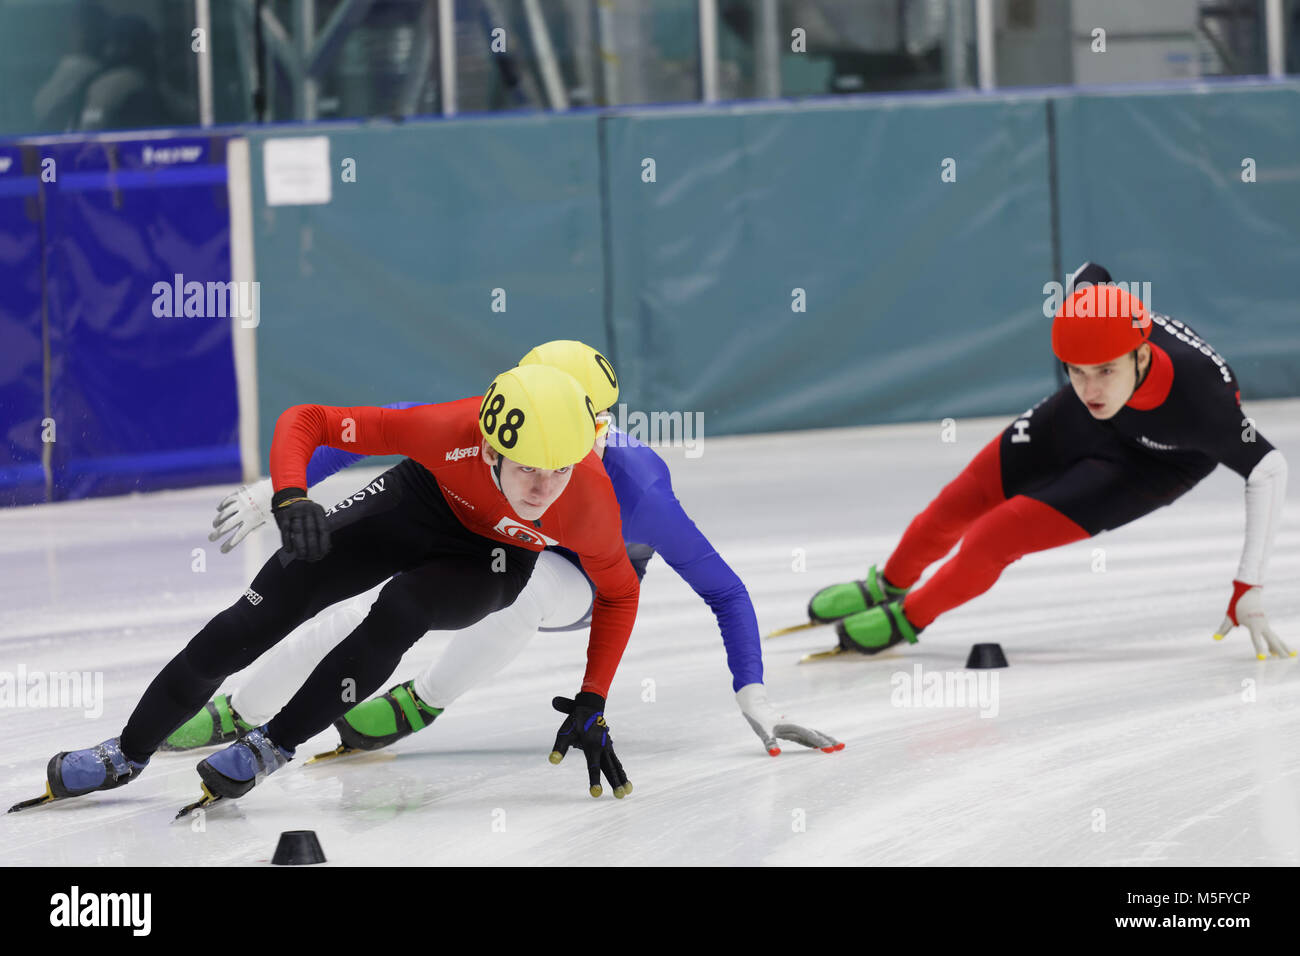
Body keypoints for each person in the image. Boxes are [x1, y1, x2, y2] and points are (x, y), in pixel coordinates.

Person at [168, 341, 842, 760]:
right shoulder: (499, 427)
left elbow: (721, 589)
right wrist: (278, 491)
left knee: (522, 597)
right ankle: (241, 710)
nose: (532, 444)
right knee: (364, 605)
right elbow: (384, 427)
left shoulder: (636, 491)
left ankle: (422, 700)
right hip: (486, 530)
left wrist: (751, 691)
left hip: (572, 570)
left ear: (595, 427)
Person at [40, 363, 639, 807]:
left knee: (402, 608)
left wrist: (594, 696)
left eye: (558, 470)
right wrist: (290, 494)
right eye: (528, 468)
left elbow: (620, 592)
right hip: (419, 501)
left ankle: (273, 744)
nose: (541, 490)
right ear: (488, 447)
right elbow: (310, 421)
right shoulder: (443, 429)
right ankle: (127, 751)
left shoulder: (587, 504)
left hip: (493, 559)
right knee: (260, 612)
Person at [807, 263, 1293, 660]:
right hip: (1081, 424)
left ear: (1141, 353)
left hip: (1154, 465)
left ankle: (908, 618)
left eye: (1105, 370)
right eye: (1076, 372)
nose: (1091, 388)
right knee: (961, 499)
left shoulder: (1203, 403)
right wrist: (1090, 378)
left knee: (993, 536)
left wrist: (1248, 583)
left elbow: (1269, 469)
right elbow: (1091, 272)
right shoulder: (1092, 359)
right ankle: (888, 584)